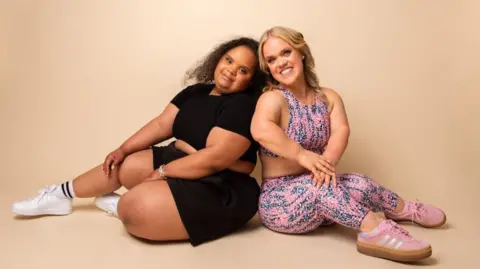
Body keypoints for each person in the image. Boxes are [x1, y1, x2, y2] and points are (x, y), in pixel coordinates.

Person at [12, 36, 267, 247]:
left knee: (135, 210)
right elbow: (160, 125)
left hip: (220, 186)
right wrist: (122, 149)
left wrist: (163, 171)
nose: (231, 70)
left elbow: (212, 160)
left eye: (243, 70)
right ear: (219, 58)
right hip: (187, 163)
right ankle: (61, 195)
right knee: (126, 164)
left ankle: (124, 205)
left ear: (251, 80)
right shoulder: (196, 92)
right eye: (229, 60)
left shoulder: (243, 105)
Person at [250, 26, 446, 262]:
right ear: (268, 68)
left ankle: (402, 210)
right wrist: (303, 155)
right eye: (272, 60)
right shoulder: (273, 98)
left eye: (286, 53)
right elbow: (261, 129)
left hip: (321, 187)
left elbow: (341, 130)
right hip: (281, 201)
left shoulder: (328, 97)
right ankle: (373, 230)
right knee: (322, 190)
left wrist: (327, 162)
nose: (280, 62)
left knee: (360, 184)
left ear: (301, 51)